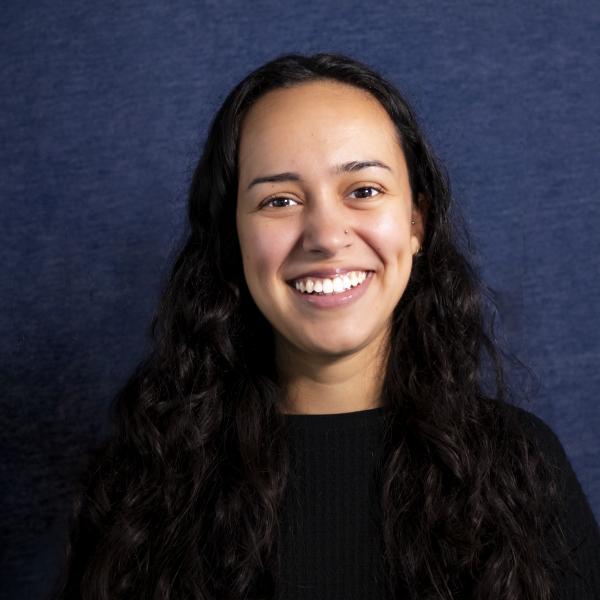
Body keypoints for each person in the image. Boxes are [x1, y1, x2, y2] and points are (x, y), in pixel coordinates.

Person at [53, 53, 600, 600]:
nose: (325, 235)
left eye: (363, 191)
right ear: (232, 241)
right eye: (280, 200)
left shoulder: (519, 464)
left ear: (416, 223)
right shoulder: (144, 484)